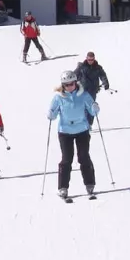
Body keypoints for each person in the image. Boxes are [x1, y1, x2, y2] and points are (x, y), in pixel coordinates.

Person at [49, 70, 100, 199]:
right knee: (67, 159)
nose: (69, 87)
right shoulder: (58, 97)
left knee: (83, 157)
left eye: (71, 84)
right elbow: (53, 113)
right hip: (65, 131)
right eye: (66, 85)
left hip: (82, 129)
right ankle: (63, 188)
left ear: (75, 82)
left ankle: (90, 184)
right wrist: (51, 114)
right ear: (63, 85)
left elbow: (92, 111)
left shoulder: (83, 95)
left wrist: (95, 108)